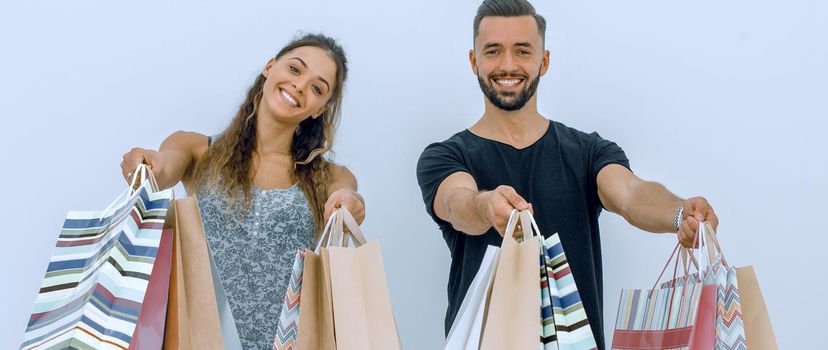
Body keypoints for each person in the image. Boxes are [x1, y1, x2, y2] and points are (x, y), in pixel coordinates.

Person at [415, 0, 718, 347]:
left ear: (544, 61)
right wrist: (486, 207)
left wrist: (680, 214)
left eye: (523, 51)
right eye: (494, 51)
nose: (508, 64)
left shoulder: (587, 152)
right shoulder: (446, 156)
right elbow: (457, 203)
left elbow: (631, 195)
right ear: (474, 62)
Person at [120, 33, 365, 350]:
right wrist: (148, 166)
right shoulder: (197, 150)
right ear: (270, 67)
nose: (300, 86)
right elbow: (163, 166)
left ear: (320, 108)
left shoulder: (330, 176)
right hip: (200, 340)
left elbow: (346, 194)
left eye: (317, 88)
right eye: (294, 69)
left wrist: (350, 203)